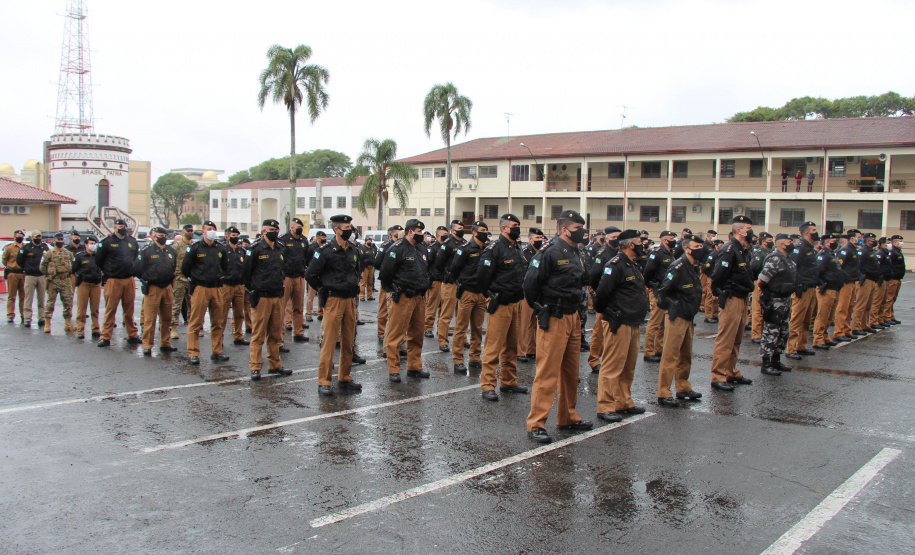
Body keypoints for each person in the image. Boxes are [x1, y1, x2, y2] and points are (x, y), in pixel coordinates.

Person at [524, 210, 592, 444]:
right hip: (553, 315)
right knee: (547, 373)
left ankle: (567, 416)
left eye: (583, 226)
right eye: (577, 226)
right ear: (564, 229)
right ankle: (536, 424)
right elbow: (530, 284)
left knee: (571, 372)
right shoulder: (548, 251)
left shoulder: (577, 251)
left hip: (573, 316)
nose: (582, 231)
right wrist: (540, 308)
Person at [593, 229, 648, 421]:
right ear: (631, 244)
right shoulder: (615, 265)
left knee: (628, 365)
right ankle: (605, 406)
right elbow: (601, 294)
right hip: (619, 321)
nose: (643, 244)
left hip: (632, 321)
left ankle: (623, 401)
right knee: (612, 366)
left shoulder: (632, 264)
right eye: (640, 242)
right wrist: (609, 315)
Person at [305, 215, 362, 396]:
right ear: (337, 230)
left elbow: (357, 270)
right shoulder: (325, 251)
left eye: (350, 226)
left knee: (348, 340)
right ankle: (324, 380)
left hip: (350, 300)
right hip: (334, 300)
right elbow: (310, 275)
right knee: (329, 342)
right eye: (346, 227)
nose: (350, 229)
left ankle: (345, 376)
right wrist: (323, 290)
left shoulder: (353, 249)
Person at [476, 214, 528, 401]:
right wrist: (490, 296)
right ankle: (488, 385)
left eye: (518, 225)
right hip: (500, 303)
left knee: (512, 346)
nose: (517, 228)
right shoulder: (494, 249)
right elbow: (482, 277)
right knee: (493, 346)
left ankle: (508, 381)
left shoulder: (516, 248)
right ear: (504, 228)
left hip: (516, 303)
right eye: (514, 225)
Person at [654, 234, 706, 407]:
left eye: (701, 246)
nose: (701, 250)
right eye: (697, 247)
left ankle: (683, 387)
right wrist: (673, 306)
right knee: (670, 355)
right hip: (677, 316)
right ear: (688, 249)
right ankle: (664, 391)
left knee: (685, 354)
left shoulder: (693, 266)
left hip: (688, 316)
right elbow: (662, 292)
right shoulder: (678, 267)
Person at [378, 219, 431, 382]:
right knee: (396, 334)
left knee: (416, 334)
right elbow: (385, 274)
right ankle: (394, 369)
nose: (422, 235)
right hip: (403, 296)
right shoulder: (397, 248)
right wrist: (394, 290)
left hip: (419, 297)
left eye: (422, 231)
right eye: (419, 232)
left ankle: (414, 366)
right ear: (410, 232)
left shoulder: (422, 248)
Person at [709, 215, 756, 391]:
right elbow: (719, 274)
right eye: (749, 229)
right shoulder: (730, 249)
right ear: (739, 230)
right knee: (726, 338)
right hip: (732, 297)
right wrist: (718, 292)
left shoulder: (742, 249)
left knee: (736, 338)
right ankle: (718, 375)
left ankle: (731, 371)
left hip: (742, 297)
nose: (751, 232)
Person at [243, 219, 291, 380]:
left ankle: (275, 364)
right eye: (271, 229)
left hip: (276, 295)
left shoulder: (280, 247)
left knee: (275, 334)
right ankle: (255, 366)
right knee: (258, 334)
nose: (274, 232)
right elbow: (246, 273)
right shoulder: (254, 249)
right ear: (263, 231)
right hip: (261, 296)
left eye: (276, 229)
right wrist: (253, 291)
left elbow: (282, 269)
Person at [181, 220, 228, 365]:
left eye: (213, 228)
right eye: (209, 229)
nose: (212, 231)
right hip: (200, 287)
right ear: (203, 232)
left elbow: (224, 266)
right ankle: (193, 353)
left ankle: (217, 351)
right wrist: (195, 279)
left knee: (218, 322)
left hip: (216, 288)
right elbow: (185, 268)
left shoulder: (220, 248)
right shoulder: (195, 248)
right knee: (195, 322)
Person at [449, 221, 490, 373]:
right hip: (467, 293)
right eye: (482, 230)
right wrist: (462, 285)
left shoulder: (487, 249)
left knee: (478, 328)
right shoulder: (464, 249)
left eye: (486, 230)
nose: (485, 233)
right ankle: (458, 360)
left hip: (482, 294)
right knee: (461, 328)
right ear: (474, 232)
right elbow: (454, 270)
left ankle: (475, 357)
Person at [757, 234, 798, 376]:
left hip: (785, 299)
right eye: (789, 241)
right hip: (775, 301)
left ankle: (776, 360)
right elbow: (762, 280)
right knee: (771, 331)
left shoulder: (787, 259)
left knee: (783, 331)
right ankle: (766, 362)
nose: (791, 243)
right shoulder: (775, 259)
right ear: (781, 244)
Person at [95, 220, 140, 346]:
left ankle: (132, 334)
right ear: (114, 227)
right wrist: (108, 271)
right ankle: (105, 336)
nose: (122, 228)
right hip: (114, 279)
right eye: (120, 226)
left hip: (129, 279)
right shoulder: (107, 242)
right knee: (110, 309)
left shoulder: (131, 241)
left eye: (124, 226)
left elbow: (135, 257)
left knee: (129, 309)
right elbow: (99, 260)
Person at [134, 227, 178, 356]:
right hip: (153, 287)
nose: (162, 237)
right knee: (150, 318)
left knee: (167, 317)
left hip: (167, 287)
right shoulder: (146, 251)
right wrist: (146, 280)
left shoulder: (170, 251)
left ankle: (165, 343)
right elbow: (137, 269)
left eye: (164, 235)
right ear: (153, 236)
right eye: (160, 235)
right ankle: (147, 344)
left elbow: (173, 266)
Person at [586, 226, 621, 372]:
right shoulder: (603, 254)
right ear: (607, 239)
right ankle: (594, 360)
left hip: (617, 298)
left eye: (619, 236)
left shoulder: (619, 253)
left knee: (614, 330)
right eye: (614, 237)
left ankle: (610, 359)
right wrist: (599, 292)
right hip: (605, 296)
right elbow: (594, 275)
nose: (617, 239)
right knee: (599, 331)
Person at [785, 222, 820, 360]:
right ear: (807, 233)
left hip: (811, 286)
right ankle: (791, 348)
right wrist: (796, 286)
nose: (816, 232)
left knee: (806, 319)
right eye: (814, 230)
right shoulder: (799, 247)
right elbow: (793, 267)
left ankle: (801, 345)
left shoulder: (809, 247)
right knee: (797, 319)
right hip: (802, 288)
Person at [642, 230, 676, 363]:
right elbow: (648, 271)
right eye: (671, 238)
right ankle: (649, 351)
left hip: (666, 290)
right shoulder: (657, 253)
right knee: (655, 322)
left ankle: (658, 349)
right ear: (665, 240)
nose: (674, 240)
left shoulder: (670, 252)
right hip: (657, 290)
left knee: (662, 323)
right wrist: (652, 285)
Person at [433, 220, 467, 352]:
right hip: (450, 283)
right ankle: (443, 341)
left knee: (462, 314)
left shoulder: (465, 243)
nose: (462, 229)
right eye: (459, 228)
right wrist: (447, 276)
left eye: (462, 227)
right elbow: (439, 264)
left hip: (462, 282)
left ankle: (462, 339)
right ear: (453, 230)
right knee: (447, 314)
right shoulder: (447, 244)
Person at [812, 234, 845, 349]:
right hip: (827, 289)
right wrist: (821, 284)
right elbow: (818, 271)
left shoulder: (831, 254)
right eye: (833, 240)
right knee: (822, 315)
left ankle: (825, 336)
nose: (835, 242)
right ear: (827, 243)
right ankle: (818, 339)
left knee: (829, 316)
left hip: (835, 288)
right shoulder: (823, 255)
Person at [518, 227, 545, 362]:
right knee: (524, 323)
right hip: (526, 292)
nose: (540, 240)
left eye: (541, 238)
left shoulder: (542, 252)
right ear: (530, 239)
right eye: (537, 238)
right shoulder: (524, 253)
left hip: (538, 293)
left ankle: (531, 349)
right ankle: (520, 351)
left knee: (534, 323)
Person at [219, 226, 249, 347]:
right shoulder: (222, 249)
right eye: (233, 235)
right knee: (222, 314)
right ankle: (218, 339)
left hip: (239, 286)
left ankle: (238, 336)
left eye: (237, 236)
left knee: (239, 313)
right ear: (227, 236)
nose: (235, 238)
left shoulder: (241, 251)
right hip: (226, 285)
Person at [280, 219, 310, 340]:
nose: (299, 229)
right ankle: (280, 335)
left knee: (298, 307)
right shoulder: (284, 239)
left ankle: (298, 332)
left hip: (299, 276)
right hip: (287, 277)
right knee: (281, 307)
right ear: (291, 227)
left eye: (301, 227)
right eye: (297, 226)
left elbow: (307, 257)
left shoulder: (303, 240)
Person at [39, 232, 75, 333]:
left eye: (61, 240)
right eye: (58, 240)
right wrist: (49, 274)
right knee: (50, 302)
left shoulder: (68, 253)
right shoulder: (49, 253)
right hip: (53, 280)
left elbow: (72, 264)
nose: (60, 242)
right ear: (54, 240)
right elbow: (42, 266)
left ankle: (68, 323)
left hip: (65, 280)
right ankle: (47, 324)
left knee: (68, 302)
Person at [374, 225, 403, 343]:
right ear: (390, 235)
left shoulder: (403, 246)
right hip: (387, 281)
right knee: (384, 307)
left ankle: (395, 333)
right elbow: (377, 263)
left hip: (399, 282)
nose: (399, 236)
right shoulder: (386, 246)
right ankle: (381, 332)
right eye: (397, 234)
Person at [72, 235, 102, 339]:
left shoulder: (98, 256)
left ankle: (96, 328)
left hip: (95, 285)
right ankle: (80, 329)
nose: (92, 246)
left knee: (95, 308)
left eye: (94, 244)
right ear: (85, 245)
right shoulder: (80, 256)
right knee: (82, 308)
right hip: (83, 284)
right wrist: (79, 276)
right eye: (91, 244)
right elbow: (74, 269)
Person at [170, 225, 195, 339]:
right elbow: (171, 262)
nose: (191, 232)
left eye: (192, 231)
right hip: (179, 278)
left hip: (191, 279)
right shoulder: (177, 246)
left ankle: (192, 327)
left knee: (192, 305)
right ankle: (174, 327)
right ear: (183, 232)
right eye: (188, 231)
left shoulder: (194, 246)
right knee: (177, 304)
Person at [852, 233, 880, 335]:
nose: (875, 241)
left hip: (872, 280)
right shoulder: (863, 251)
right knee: (861, 304)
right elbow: (858, 265)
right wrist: (861, 278)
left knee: (868, 305)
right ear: (868, 241)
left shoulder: (870, 251)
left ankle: (864, 325)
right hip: (865, 280)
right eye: (873, 239)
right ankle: (856, 326)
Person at [833, 234, 860, 341]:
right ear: (852, 238)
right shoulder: (846, 249)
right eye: (858, 236)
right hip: (846, 282)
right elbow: (839, 265)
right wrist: (844, 278)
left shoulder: (854, 249)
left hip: (853, 281)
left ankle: (846, 330)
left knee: (850, 307)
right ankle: (839, 332)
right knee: (843, 307)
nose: (860, 238)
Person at [423, 226, 448, 338]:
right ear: (438, 235)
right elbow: (427, 264)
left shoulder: (447, 247)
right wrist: (428, 279)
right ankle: (428, 327)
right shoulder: (433, 247)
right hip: (435, 280)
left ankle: (441, 327)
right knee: (433, 305)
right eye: (444, 233)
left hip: (446, 280)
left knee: (444, 307)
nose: (446, 235)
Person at [749, 232, 773, 344]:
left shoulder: (769, 252)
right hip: (758, 283)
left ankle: (762, 332)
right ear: (764, 241)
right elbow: (754, 267)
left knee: (764, 308)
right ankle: (756, 334)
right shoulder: (760, 253)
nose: (771, 242)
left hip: (767, 284)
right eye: (769, 240)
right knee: (758, 308)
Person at [3, 229, 26, 324]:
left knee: (23, 296)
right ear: (14, 237)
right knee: (12, 296)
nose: (19, 237)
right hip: (13, 273)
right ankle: (10, 315)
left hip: (23, 274)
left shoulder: (25, 247)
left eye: (21, 236)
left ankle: (24, 314)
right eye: (17, 236)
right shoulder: (9, 248)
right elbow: (4, 260)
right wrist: (10, 266)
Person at [305, 231, 327, 323]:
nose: (324, 239)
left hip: (321, 274)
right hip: (314, 274)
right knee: (311, 296)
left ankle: (320, 313)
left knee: (321, 294)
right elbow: (307, 260)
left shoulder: (325, 247)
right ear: (318, 238)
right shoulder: (311, 248)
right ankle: (309, 314)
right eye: (322, 238)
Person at [359, 234, 377, 301]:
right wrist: (362, 267)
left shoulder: (372, 249)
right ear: (366, 241)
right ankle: (362, 296)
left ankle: (369, 296)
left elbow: (374, 255)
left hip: (371, 267)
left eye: (370, 240)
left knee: (370, 282)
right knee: (363, 282)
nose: (369, 242)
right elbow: (361, 258)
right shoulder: (363, 248)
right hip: (365, 267)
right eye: (368, 240)